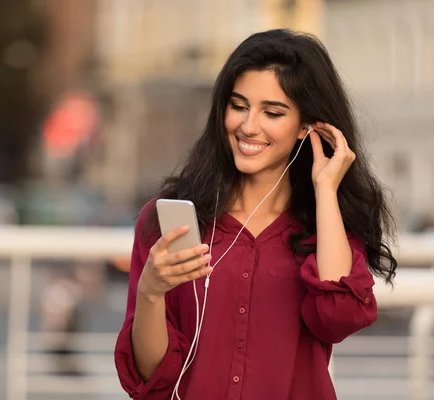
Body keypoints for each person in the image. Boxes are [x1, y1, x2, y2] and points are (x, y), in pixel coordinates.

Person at [114, 29, 398, 400]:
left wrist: (326, 190)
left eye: (272, 112)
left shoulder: (327, 226)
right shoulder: (172, 219)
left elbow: (338, 319)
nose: (248, 126)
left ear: (306, 126)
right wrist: (151, 292)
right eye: (238, 106)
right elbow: (150, 376)